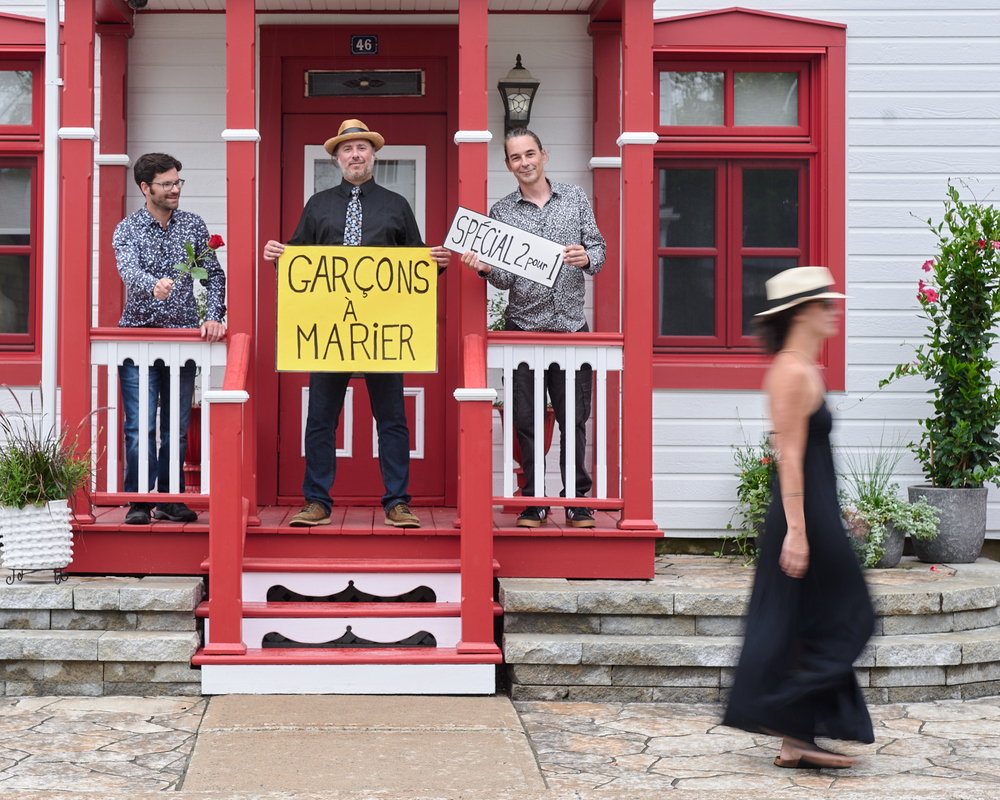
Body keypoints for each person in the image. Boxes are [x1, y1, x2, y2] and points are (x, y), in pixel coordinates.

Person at [263, 119, 451, 529]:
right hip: (330, 331)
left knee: (393, 418)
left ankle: (398, 502)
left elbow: (413, 266)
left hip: (383, 330)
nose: (355, 155)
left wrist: (432, 264)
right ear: (336, 158)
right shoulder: (317, 205)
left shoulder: (397, 205)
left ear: (373, 156)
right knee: (321, 418)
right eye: (347, 149)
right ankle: (316, 502)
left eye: (362, 148)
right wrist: (280, 254)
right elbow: (300, 263)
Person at [722, 266, 874, 769]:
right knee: (852, 614)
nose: (833, 311)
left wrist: (839, 510)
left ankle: (794, 736)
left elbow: (813, 455)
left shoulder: (805, 368)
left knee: (810, 618)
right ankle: (778, 711)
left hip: (816, 510)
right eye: (825, 304)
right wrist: (799, 532)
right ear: (804, 312)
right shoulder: (789, 371)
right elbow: (787, 457)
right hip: (801, 517)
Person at [460, 128, 605, 529]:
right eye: (515, 158)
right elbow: (504, 279)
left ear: (544, 154)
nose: (524, 163)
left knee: (574, 418)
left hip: (572, 328)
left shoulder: (575, 198)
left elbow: (599, 249)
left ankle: (576, 501)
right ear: (508, 165)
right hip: (523, 330)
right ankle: (534, 502)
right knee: (525, 419)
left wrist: (585, 256)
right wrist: (487, 269)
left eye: (529, 154)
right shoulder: (501, 212)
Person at [114, 152, 227, 525]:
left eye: (178, 181)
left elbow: (214, 275)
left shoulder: (193, 226)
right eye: (167, 183)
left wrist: (213, 316)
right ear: (146, 188)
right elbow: (129, 269)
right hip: (137, 342)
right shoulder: (126, 229)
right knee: (139, 426)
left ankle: (171, 498)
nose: (175, 189)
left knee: (175, 428)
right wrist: (152, 284)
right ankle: (139, 502)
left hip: (181, 344)